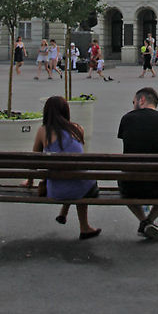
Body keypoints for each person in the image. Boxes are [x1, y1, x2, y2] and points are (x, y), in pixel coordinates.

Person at [30, 96, 101, 240]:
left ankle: (64, 213)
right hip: (81, 187)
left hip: (56, 190)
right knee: (79, 178)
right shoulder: (77, 129)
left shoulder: (43, 132)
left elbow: (33, 161)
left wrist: (29, 182)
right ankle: (84, 226)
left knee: (69, 176)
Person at [117, 87, 158, 241]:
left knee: (123, 179)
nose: (133, 106)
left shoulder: (127, 119)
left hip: (130, 186)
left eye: (134, 102)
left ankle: (143, 221)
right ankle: (149, 221)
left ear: (142, 100)